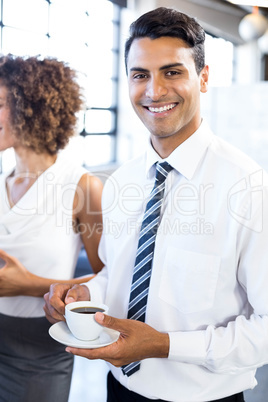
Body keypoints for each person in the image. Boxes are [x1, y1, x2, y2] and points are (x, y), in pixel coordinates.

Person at [44, 7, 268, 402]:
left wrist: (163, 344)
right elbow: (119, 275)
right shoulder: (123, 182)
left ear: (203, 77)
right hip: (119, 388)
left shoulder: (249, 187)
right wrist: (85, 295)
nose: (154, 91)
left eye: (172, 72)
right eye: (140, 75)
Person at [0, 54, 103, 402]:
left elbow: (112, 283)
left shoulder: (81, 187)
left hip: (41, 352)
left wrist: (29, 286)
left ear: (31, 107)